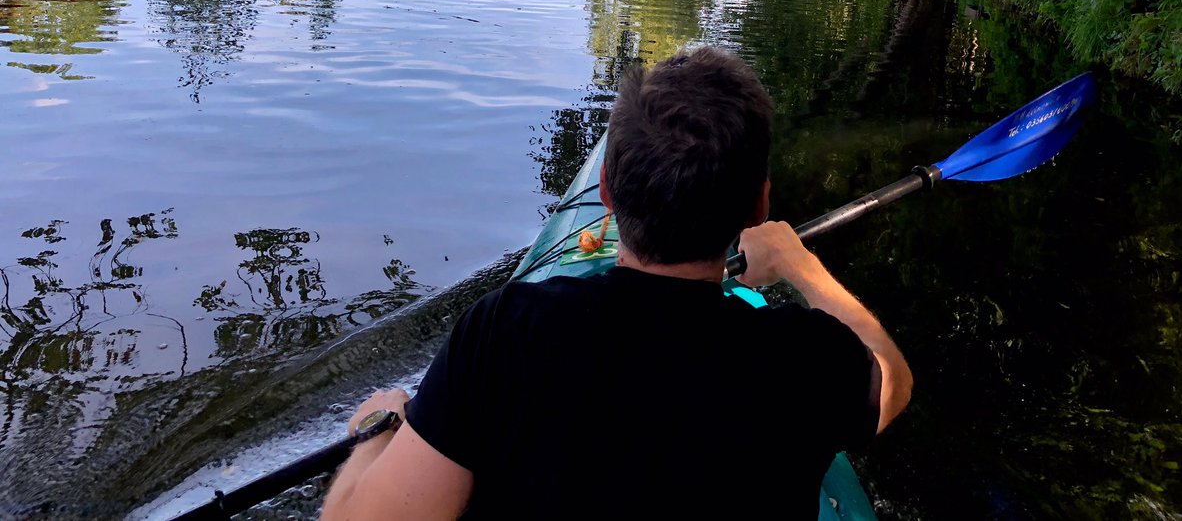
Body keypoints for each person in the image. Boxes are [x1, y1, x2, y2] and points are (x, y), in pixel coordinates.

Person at [321, 46, 912, 520]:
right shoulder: (807, 355)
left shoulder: (505, 331)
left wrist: (375, 431)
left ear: (605, 190)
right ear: (760, 204)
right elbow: (893, 385)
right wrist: (801, 267)